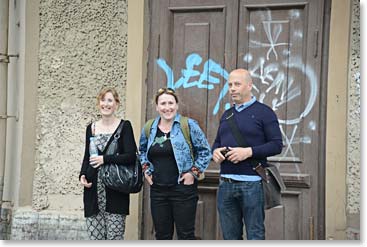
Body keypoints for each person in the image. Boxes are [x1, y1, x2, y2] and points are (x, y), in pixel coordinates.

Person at [212, 69, 283, 240]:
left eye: (237, 84)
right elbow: (217, 143)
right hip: (225, 184)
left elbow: (277, 145)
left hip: (252, 185)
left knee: (255, 236)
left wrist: (248, 152)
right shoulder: (227, 114)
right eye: (230, 85)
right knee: (230, 237)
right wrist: (215, 152)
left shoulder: (265, 113)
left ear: (250, 85)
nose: (232, 89)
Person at [139, 87, 212, 240]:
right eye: (163, 103)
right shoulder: (149, 128)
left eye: (171, 103)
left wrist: (193, 173)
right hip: (158, 191)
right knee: (162, 236)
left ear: (177, 105)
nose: (167, 107)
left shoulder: (188, 125)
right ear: (157, 107)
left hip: (183, 190)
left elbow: (205, 151)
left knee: (185, 235)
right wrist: (146, 170)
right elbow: (142, 151)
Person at [79, 87, 137, 240]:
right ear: (99, 103)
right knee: (95, 238)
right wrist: (83, 174)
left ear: (116, 104)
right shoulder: (91, 128)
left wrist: (105, 159)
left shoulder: (125, 126)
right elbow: (87, 156)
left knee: (114, 237)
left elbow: (131, 157)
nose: (106, 104)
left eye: (110, 100)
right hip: (93, 191)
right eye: (103, 100)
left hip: (116, 189)